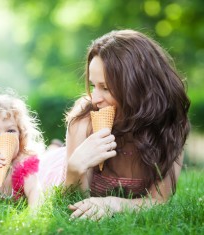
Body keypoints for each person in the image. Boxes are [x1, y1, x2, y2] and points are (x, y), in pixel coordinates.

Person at [64, 29, 190, 220]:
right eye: (92, 86)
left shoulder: (169, 128)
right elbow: (73, 202)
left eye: (105, 88)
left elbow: (158, 201)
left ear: (138, 87)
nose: (95, 98)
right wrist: (75, 168)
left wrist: (113, 203)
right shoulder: (83, 120)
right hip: (57, 165)